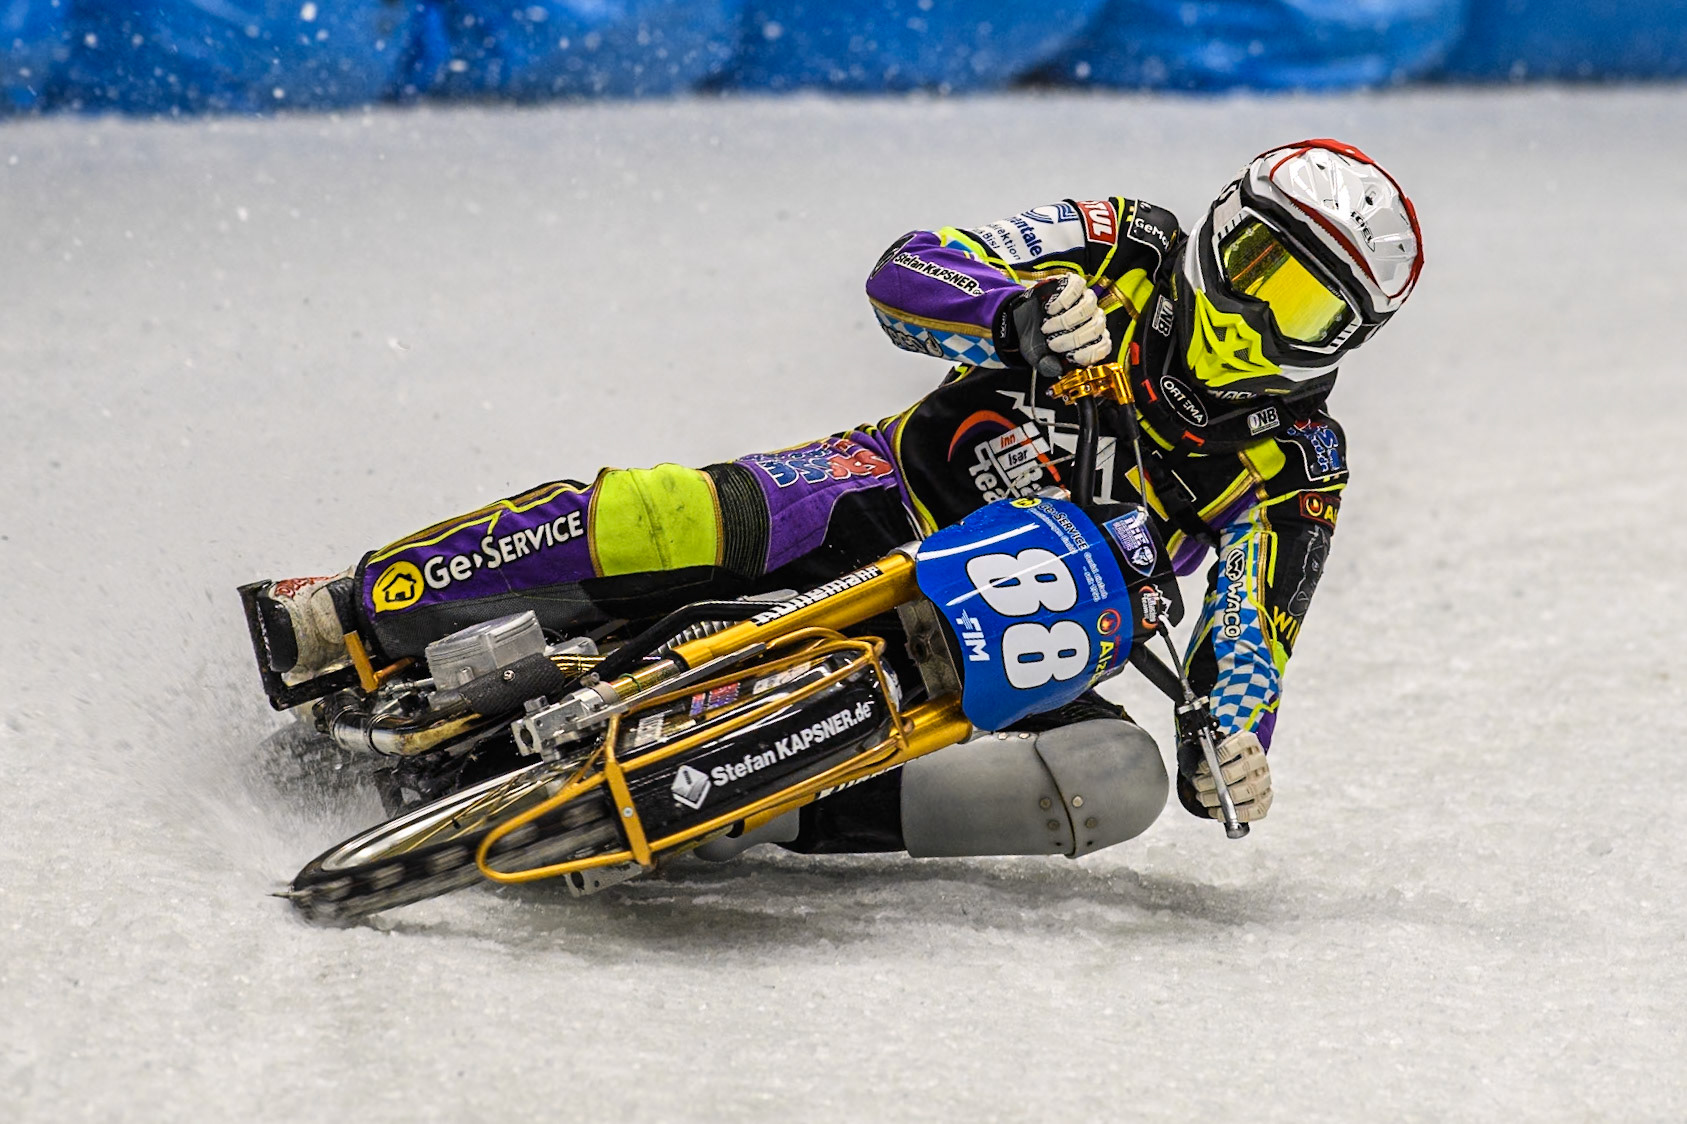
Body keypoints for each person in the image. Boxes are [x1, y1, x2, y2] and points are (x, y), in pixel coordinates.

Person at [250, 138, 1422, 861]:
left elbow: (1249, 644)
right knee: (677, 512)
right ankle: (354, 606)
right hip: (880, 489)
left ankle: (751, 816)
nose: (1256, 319)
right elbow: (908, 265)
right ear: (1220, 229)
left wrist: (1231, 748)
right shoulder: (1122, 241)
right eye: (1260, 269)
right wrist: (1007, 312)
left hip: (1019, 640)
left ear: (1348, 344)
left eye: (1308, 312)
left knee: (1122, 786)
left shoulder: (1301, 462)